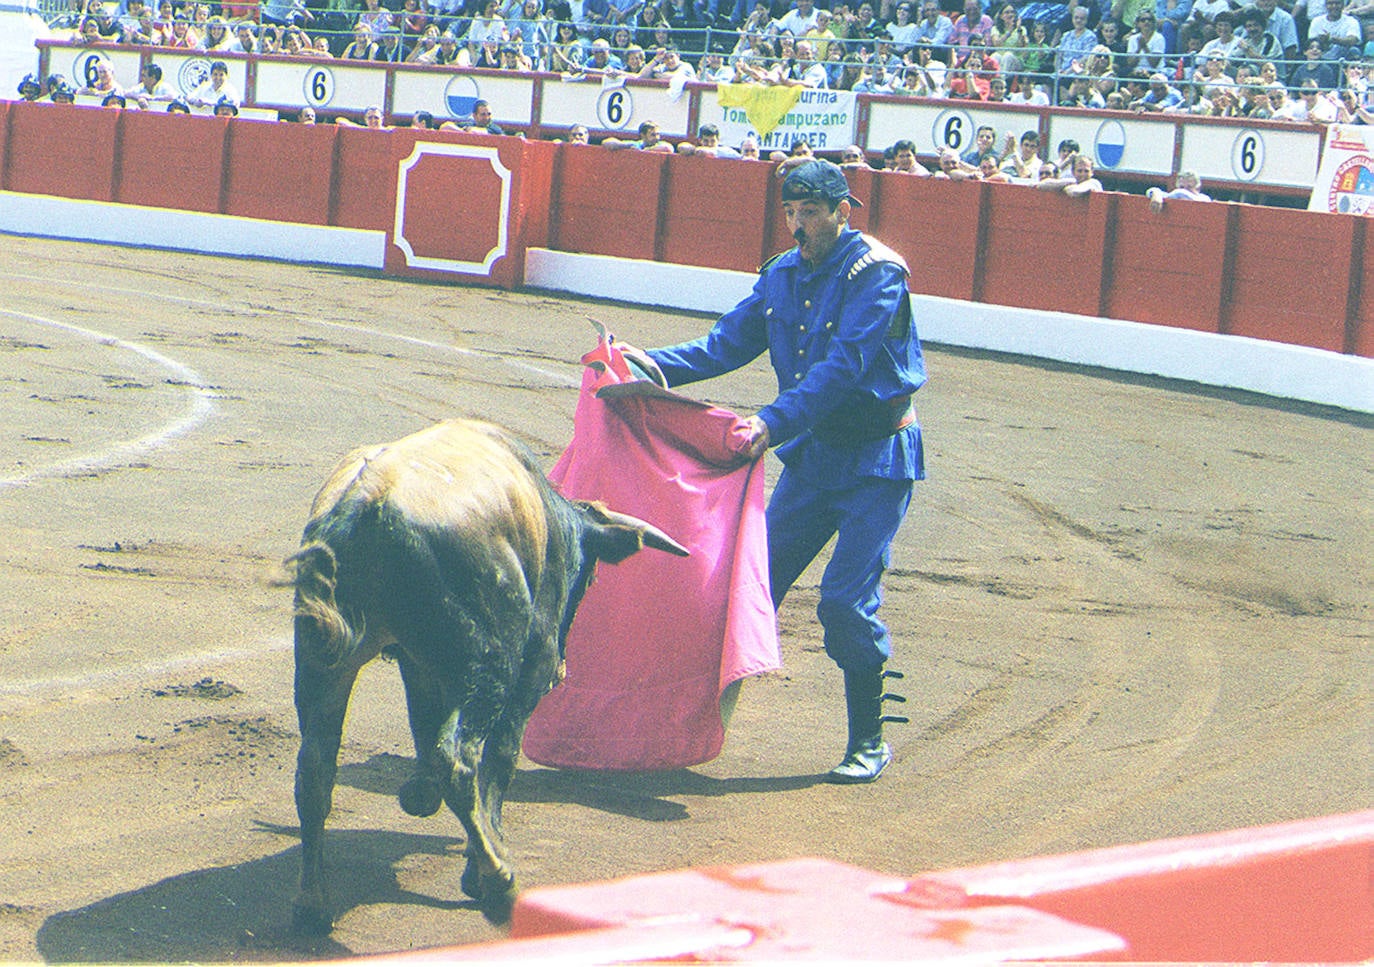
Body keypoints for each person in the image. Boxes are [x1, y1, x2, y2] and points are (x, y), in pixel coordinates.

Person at [645, 159, 926, 785]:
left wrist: (773, 422)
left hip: (878, 463)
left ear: (842, 212)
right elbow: (724, 345)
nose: (798, 227)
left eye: (811, 214)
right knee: (747, 592)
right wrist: (648, 365)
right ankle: (697, 731)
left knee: (844, 604)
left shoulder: (876, 273)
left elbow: (844, 367)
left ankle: (869, 738)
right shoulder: (782, 274)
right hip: (816, 458)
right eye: (790, 214)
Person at [1038, 152, 1103, 193]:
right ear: (1073, 172)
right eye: (1079, 171)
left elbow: (1074, 192)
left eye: (1086, 171)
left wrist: (1066, 187)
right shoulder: (1073, 181)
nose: (1083, 174)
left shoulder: (1094, 183)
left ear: (1092, 172)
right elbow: (1041, 185)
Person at [1146, 169, 1210, 209]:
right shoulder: (1176, 195)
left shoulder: (1204, 198)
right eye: (1182, 187)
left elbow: (1182, 194)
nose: (1185, 190)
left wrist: (1157, 194)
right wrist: (1156, 194)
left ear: (1198, 188)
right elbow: (1151, 191)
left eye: (1189, 187)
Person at [677, 122, 742, 156]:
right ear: (700, 140)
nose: (709, 144)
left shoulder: (725, 151)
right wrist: (694, 150)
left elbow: (740, 157)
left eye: (713, 141)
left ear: (718, 140)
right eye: (706, 141)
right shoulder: (697, 151)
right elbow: (681, 147)